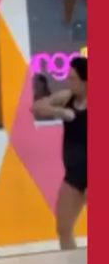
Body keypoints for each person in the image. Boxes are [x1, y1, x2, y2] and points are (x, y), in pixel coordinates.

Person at [32, 56, 87, 250]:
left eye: (73, 79)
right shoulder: (67, 97)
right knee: (63, 229)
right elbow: (36, 107)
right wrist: (60, 112)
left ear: (86, 81)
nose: (69, 82)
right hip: (74, 175)